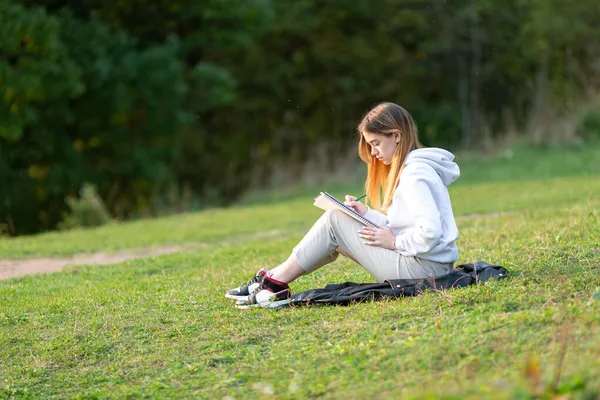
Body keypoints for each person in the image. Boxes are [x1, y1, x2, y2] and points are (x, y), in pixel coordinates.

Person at [226, 102, 460, 309]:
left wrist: (394, 242)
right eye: (370, 145)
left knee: (334, 220)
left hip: (425, 273)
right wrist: (367, 214)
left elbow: (430, 232)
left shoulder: (414, 175)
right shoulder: (413, 170)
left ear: (396, 136)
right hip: (427, 267)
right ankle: (274, 277)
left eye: (376, 143)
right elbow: (404, 225)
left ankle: (273, 282)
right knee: (338, 222)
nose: (373, 152)